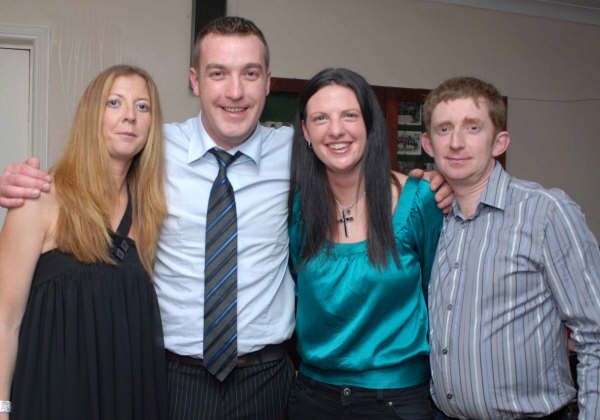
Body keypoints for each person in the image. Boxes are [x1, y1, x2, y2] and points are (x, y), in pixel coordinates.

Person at [0, 16, 453, 420]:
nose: (235, 92)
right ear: (195, 81)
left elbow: (350, 157)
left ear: (267, 82)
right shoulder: (154, 148)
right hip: (172, 378)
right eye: (218, 73)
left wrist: (430, 180)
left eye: (249, 74)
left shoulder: (296, 151)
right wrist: (26, 183)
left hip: (269, 380)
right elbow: (93, 168)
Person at [421, 76, 600, 419]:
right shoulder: (433, 216)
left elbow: (595, 335)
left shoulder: (545, 212)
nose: (456, 142)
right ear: (428, 144)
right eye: (444, 129)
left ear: (499, 142)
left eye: (473, 128)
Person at [0, 64, 168, 419]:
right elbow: (5, 320)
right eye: (114, 103)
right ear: (91, 114)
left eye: (142, 107)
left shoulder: (149, 214)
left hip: (125, 399)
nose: (130, 116)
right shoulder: (40, 198)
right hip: (53, 398)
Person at [287, 68, 443, 419]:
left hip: (397, 400)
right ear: (306, 132)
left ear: (370, 125)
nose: (336, 130)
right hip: (312, 397)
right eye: (321, 118)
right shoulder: (297, 209)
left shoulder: (420, 201)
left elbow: (442, 298)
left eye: (349, 115)